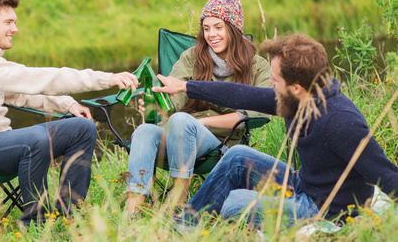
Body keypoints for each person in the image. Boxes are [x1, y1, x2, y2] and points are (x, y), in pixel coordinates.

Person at [0, 0, 139, 226]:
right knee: (35, 139)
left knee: (83, 128)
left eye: (15, 22)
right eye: (8, 22)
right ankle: (35, 221)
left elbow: (19, 94)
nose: (15, 29)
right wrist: (106, 78)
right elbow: (36, 78)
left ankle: (68, 212)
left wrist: (67, 103)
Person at [153, 33, 398, 228]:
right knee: (237, 156)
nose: (270, 84)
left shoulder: (341, 122)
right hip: (304, 184)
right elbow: (243, 95)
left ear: (297, 87)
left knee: (235, 205)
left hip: (326, 210)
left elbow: (386, 174)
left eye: (275, 80)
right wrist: (185, 85)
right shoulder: (298, 99)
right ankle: (186, 223)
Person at [125, 0, 271, 214]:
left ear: (234, 28)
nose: (211, 34)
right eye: (206, 28)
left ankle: (179, 199)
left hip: (219, 143)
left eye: (218, 27)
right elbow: (174, 100)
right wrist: (156, 104)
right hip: (176, 134)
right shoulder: (192, 57)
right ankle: (134, 207)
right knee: (145, 130)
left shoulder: (258, 66)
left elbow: (257, 113)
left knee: (183, 121)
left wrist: (202, 124)